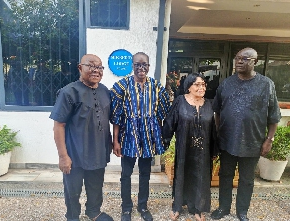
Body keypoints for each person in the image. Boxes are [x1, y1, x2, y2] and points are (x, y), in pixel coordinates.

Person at [211, 47, 281, 221]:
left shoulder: (266, 85)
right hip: (227, 141)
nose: (239, 61)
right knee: (225, 176)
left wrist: (269, 140)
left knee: (247, 180)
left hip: (253, 142)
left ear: (255, 62)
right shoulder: (226, 83)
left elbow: (274, 116)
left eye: (244, 58)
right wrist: (218, 134)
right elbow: (217, 111)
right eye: (237, 58)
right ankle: (223, 208)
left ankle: (242, 211)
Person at [49, 54, 114, 221]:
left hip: (99, 151)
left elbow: (111, 120)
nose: (95, 70)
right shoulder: (68, 92)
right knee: (73, 190)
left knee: (96, 186)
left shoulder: (105, 91)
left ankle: (93, 211)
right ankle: (72, 216)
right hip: (75, 154)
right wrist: (63, 156)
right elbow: (59, 125)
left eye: (99, 67)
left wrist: (115, 142)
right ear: (80, 68)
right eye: (91, 66)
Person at [110, 52, 170, 221]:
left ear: (149, 67)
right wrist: (115, 140)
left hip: (148, 137)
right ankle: (126, 208)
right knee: (126, 174)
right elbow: (117, 117)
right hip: (128, 136)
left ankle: (143, 206)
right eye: (137, 65)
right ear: (132, 66)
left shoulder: (157, 87)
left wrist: (160, 137)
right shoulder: (122, 86)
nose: (141, 68)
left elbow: (163, 115)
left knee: (145, 173)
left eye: (144, 65)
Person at [162, 73, 218, 221]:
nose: (201, 87)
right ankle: (177, 206)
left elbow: (213, 130)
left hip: (203, 151)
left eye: (203, 84)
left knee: (201, 177)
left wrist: (214, 150)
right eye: (197, 84)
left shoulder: (209, 104)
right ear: (188, 87)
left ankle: (198, 208)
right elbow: (170, 122)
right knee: (181, 175)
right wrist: (164, 141)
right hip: (184, 148)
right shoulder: (180, 102)